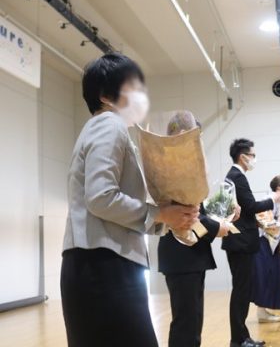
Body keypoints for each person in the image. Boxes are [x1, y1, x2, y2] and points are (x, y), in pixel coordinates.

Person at [61, 53, 199, 347]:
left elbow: (105, 202)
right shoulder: (108, 124)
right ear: (105, 96)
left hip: (99, 264)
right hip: (103, 267)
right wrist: (161, 214)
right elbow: (101, 198)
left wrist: (167, 219)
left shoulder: (104, 127)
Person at [158, 112, 231, 347]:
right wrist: (218, 227)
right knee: (186, 324)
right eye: (194, 137)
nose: (197, 143)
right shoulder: (172, 170)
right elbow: (188, 216)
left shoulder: (181, 168)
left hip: (189, 256)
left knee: (192, 322)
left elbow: (195, 214)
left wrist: (219, 222)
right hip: (181, 256)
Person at [223, 138, 280, 347]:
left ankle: (242, 337)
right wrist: (272, 199)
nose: (254, 159)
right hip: (240, 243)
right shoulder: (237, 176)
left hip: (239, 242)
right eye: (253, 155)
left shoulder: (234, 176)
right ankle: (238, 340)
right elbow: (250, 206)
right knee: (241, 291)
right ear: (243, 157)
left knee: (243, 290)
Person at [252, 175, 280, 323]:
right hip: (263, 242)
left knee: (272, 275)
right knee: (264, 275)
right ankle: (261, 312)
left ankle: (264, 310)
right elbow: (265, 223)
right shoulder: (267, 200)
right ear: (279, 187)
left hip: (272, 243)